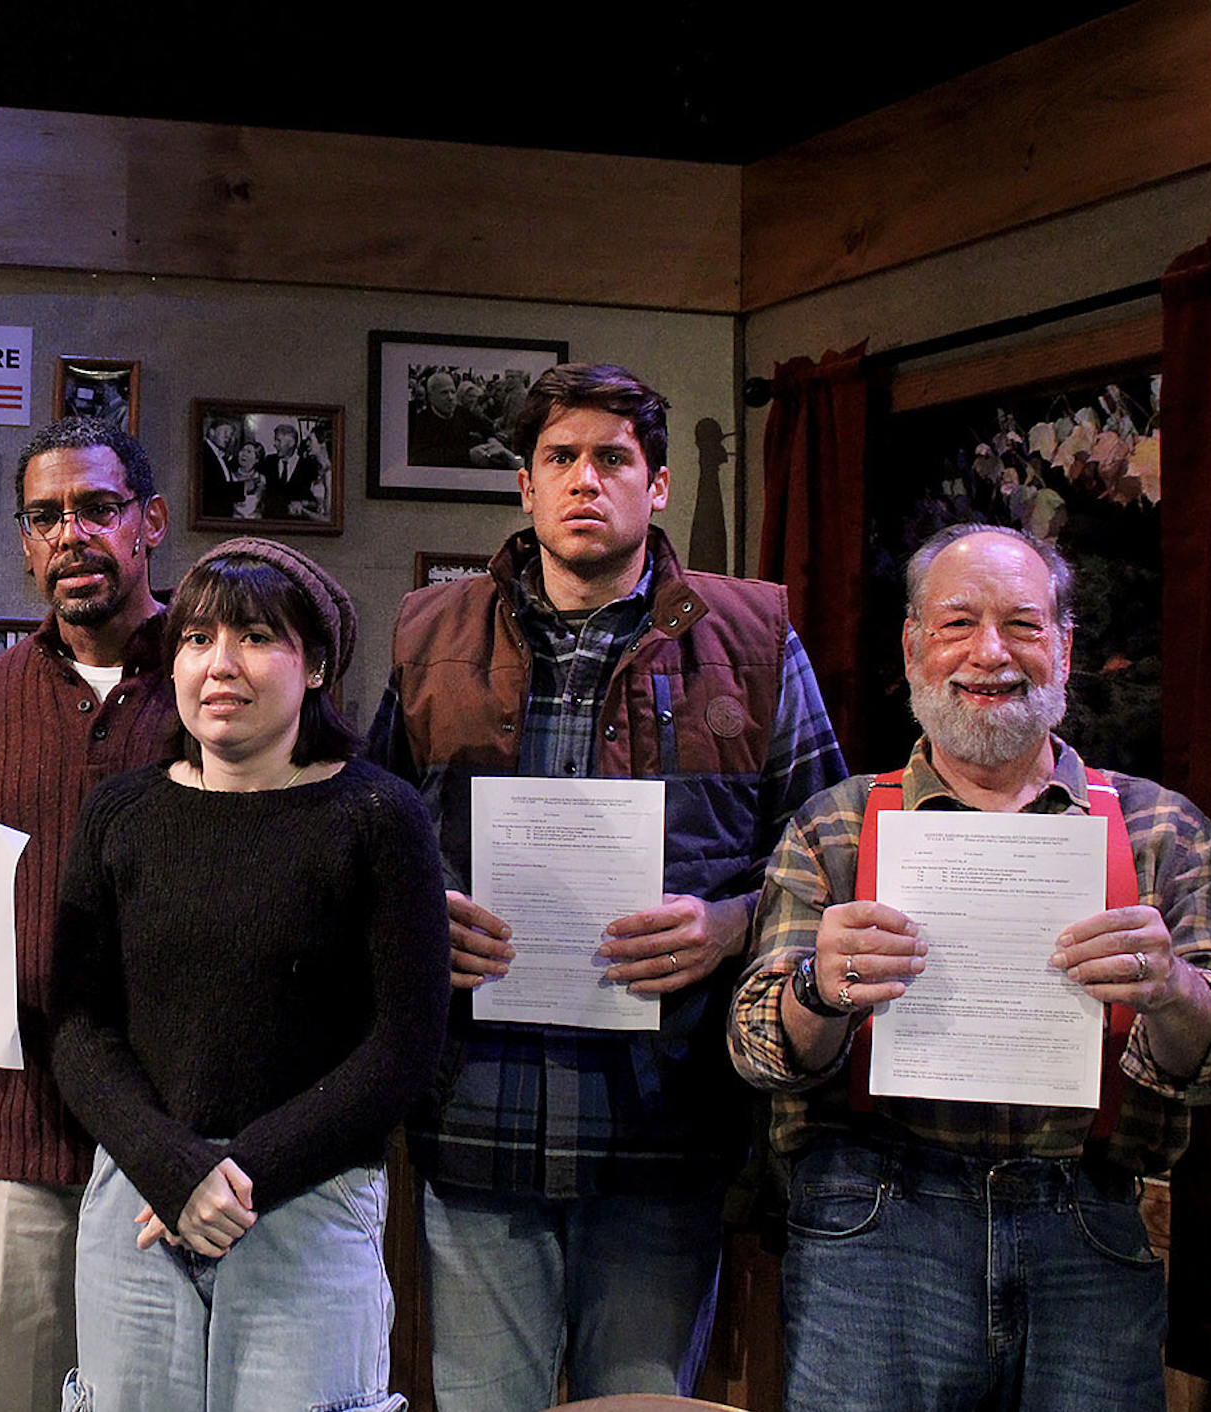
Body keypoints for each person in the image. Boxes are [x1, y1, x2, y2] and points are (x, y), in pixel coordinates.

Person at [367, 362, 846, 1408]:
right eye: (560, 458)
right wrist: (415, 917)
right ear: (526, 486)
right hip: (477, 1119)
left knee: (638, 1407)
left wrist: (731, 923)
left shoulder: (754, 638)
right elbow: (367, 845)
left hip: (666, 1124)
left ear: (656, 485)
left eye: (612, 458)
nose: (585, 479)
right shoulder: (430, 634)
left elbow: (829, 856)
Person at [729, 524, 1211, 1412]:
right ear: (913, 648)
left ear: (1065, 648)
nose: (990, 653)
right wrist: (820, 991)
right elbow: (758, 1052)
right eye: (957, 624)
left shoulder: (1160, 828)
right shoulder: (834, 825)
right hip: (874, 1228)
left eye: (1022, 624)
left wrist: (1173, 991)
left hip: (1088, 1224)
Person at [51, 538, 447, 1412]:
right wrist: (171, 1165)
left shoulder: (379, 815)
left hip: (308, 1200)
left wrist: (240, 1173)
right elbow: (77, 1027)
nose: (220, 664)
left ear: (316, 666)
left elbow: (405, 1046)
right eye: (197, 639)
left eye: (256, 637)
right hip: (140, 1197)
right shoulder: (120, 813)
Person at [0, 415, 179, 1412]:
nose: (71, 535)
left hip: (182, 1125)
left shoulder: (214, 677)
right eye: (46, 516)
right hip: (30, 1122)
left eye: (97, 508)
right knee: (17, 1391)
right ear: (21, 542)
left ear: (149, 522)